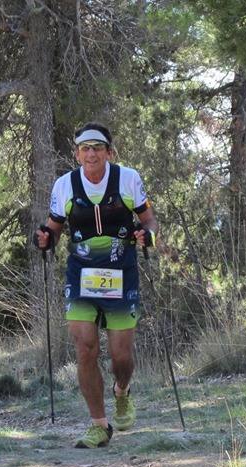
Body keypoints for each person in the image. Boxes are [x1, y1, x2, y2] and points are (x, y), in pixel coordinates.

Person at [35, 122, 158, 448]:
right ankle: (99, 425)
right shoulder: (64, 185)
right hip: (81, 275)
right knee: (85, 349)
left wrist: (150, 235)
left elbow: (148, 219)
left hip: (122, 273)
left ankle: (122, 390)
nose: (91, 154)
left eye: (97, 148)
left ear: (109, 152)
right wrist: (46, 239)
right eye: (85, 148)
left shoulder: (128, 179)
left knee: (121, 355)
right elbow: (54, 227)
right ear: (76, 154)